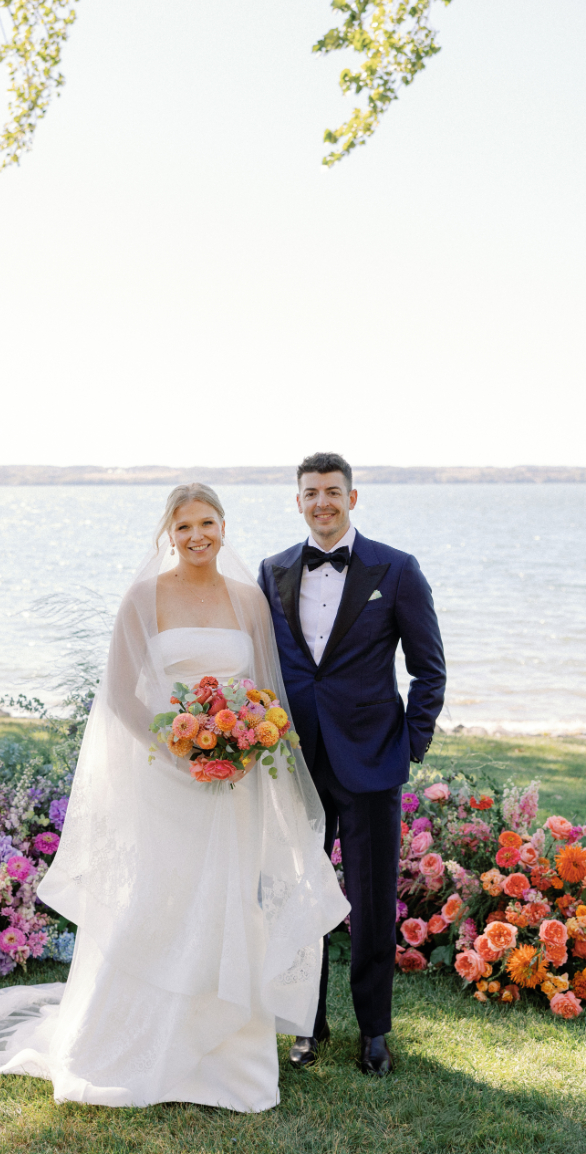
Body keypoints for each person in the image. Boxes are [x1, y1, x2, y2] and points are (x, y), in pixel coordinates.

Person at [0, 483, 349, 1110]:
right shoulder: (143, 598)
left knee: (229, 899)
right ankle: (134, 1045)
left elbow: (266, 689)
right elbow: (122, 693)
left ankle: (229, 1059)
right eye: (184, 527)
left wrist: (239, 748)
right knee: (161, 899)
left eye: (208, 522)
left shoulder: (249, 600)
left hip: (235, 783)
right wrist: (183, 748)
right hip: (168, 779)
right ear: (167, 534)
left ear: (224, 527)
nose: (197, 535)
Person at [258, 453, 446, 1076]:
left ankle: (373, 1032)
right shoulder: (273, 570)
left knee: (370, 904)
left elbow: (428, 670)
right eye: (311, 493)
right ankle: (305, 1026)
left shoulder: (396, 569)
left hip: (371, 763)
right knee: (297, 897)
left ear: (353, 497)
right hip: (295, 764)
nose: (322, 503)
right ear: (298, 501)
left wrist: (408, 745)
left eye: (333, 492)